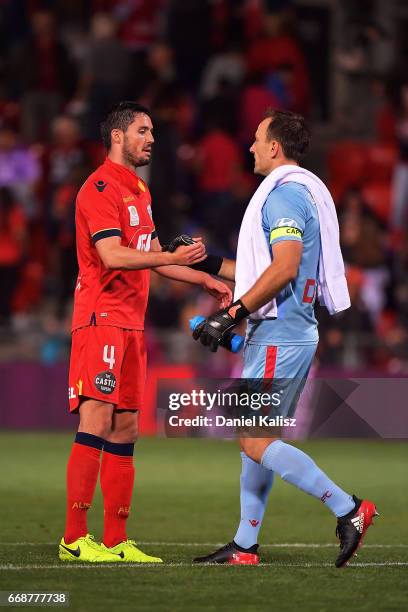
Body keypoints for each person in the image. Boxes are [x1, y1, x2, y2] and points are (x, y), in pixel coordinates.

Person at [191, 109, 378, 568]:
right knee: (257, 439)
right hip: (284, 330)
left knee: (253, 440)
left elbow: (285, 267)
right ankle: (244, 546)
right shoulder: (300, 193)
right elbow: (264, 271)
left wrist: (232, 312)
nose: (251, 146)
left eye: (256, 139)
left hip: (281, 332)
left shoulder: (283, 197)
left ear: (274, 147)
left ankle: (348, 508)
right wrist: (205, 263)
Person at [59, 101, 231, 563]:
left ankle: (115, 541)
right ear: (117, 137)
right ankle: (74, 540)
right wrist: (171, 260)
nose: (151, 138)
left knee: (128, 425)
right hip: (101, 318)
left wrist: (205, 279)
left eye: (152, 130)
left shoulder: (138, 189)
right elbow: (113, 256)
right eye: (142, 130)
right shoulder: (98, 187)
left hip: (131, 324)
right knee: (96, 419)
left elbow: (153, 253)